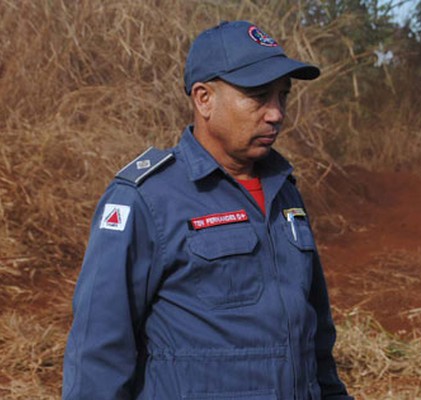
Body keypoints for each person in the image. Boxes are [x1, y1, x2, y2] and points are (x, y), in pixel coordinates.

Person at [62, 20, 352, 400]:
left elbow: (315, 340)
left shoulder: (285, 194)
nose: (276, 113)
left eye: (283, 96)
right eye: (259, 96)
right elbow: (97, 352)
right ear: (204, 99)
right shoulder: (146, 199)